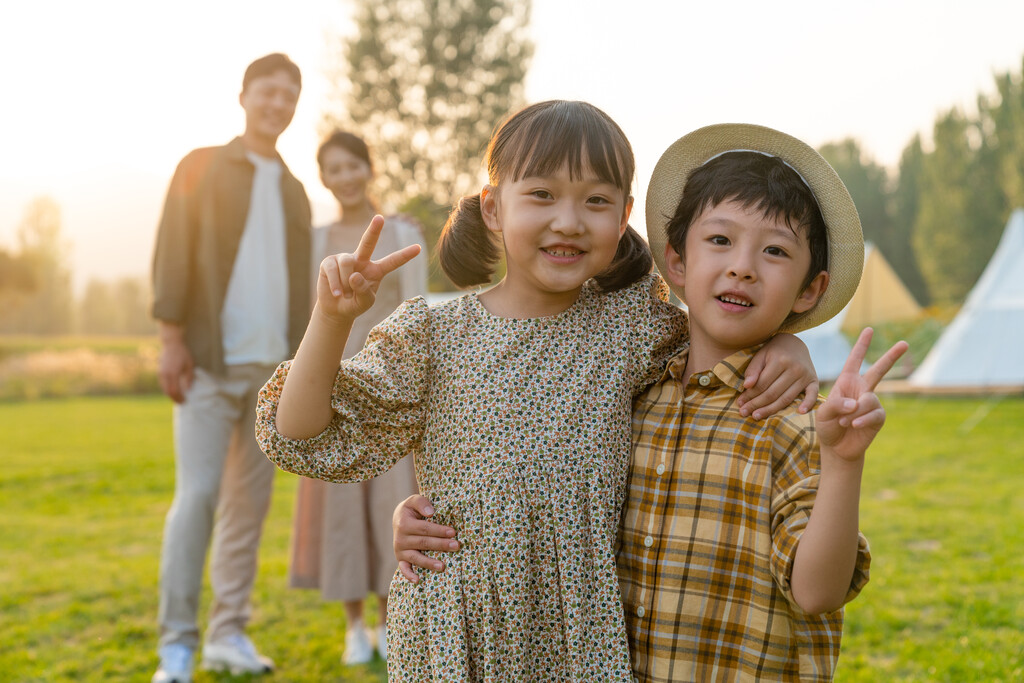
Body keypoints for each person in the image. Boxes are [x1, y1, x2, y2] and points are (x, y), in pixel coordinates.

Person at [255, 101, 816, 681]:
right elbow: (298, 430)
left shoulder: (630, 326)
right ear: (494, 208)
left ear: (623, 216)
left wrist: (786, 344)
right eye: (542, 195)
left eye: (596, 201)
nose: (570, 221)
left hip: (580, 632)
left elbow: (720, 332)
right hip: (458, 627)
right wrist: (331, 319)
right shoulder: (433, 334)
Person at [393, 123, 909, 681]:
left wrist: (844, 459)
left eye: (776, 251)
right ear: (676, 262)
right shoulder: (628, 390)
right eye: (719, 240)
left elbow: (817, 592)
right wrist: (436, 515)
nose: (742, 265)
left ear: (810, 289)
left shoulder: (792, 419)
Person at [149, 53, 311, 683]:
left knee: (249, 512)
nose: (278, 104)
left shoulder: (296, 190)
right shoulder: (201, 166)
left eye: (289, 96)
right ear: (243, 96)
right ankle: (177, 648)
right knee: (196, 500)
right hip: (210, 366)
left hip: (274, 375)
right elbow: (172, 253)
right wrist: (171, 339)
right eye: (268, 92)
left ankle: (228, 635)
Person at [288, 130, 427, 665]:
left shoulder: (401, 231)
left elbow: (416, 312)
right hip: (332, 388)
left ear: (369, 169)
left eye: (353, 166)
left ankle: (392, 620)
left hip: (388, 391)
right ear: (324, 178)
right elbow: (311, 316)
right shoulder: (316, 240)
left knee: (393, 501)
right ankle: (353, 626)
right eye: (333, 170)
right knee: (340, 509)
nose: (345, 177)